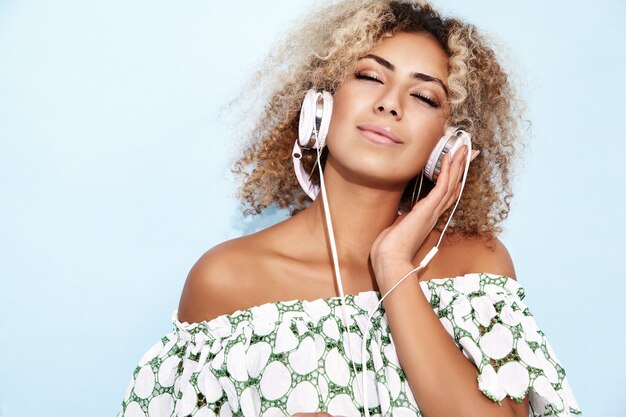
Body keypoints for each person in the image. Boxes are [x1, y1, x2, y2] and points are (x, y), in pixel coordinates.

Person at [117, 1, 582, 416]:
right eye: (369, 76)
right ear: (321, 105)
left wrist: (393, 264)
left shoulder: (477, 268)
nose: (389, 105)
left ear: (449, 144)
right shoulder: (227, 279)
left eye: (423, 96)